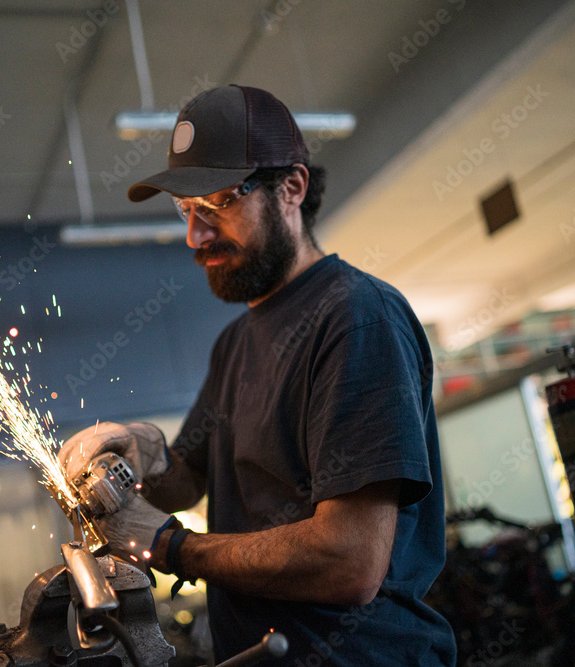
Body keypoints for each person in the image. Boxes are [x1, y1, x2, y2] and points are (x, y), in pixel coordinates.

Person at [60, 85, 455, 665]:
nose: (196, 236)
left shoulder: (356, 318)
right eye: (186, 210)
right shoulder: (236, 343)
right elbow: (188, 480)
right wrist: (142, 455)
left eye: (217, 203)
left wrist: (170, 546)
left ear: (291, 188)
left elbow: (349, 562)